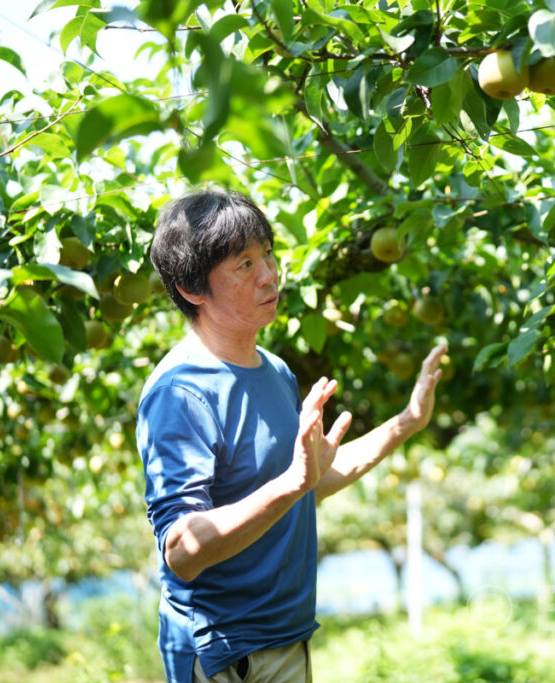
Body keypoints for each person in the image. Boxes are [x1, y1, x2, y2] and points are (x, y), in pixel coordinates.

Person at [137, 189, 446, 683]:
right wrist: (294, 482)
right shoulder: (181, 393)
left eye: (267, 254)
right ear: (193, 288)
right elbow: (182, 552)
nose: (269, 274)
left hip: (286, 637)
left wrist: (407, 421)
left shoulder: (276, 371)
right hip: (222, 654)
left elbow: (307, 487)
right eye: (243, 264)